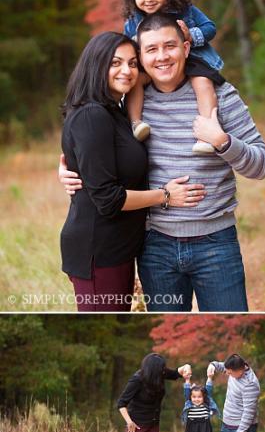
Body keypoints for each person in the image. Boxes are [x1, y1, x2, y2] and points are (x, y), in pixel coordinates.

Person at [59, 12, 265, 311]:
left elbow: (261, 165)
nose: (162, 57)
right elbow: (96, 150)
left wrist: (222, 141)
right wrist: (69, 171)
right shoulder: (129, 100)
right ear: (142, 57)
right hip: (152, 246)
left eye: (169, 46)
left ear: (185, 48)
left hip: (216, 243)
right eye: (150, 50)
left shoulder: (220, 96)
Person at [59, 32, 205, 312]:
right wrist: (165, 196)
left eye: (133, 63)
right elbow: (108, 199)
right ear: (95, 65)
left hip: (119, 249)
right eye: (115, 63)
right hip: (98, 250)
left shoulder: (115, 112)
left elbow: (90, 167)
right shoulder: (93, 114)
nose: (126, 71)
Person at [123, 0, 224, 154]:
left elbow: (210, 27)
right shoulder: (133, 20)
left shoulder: (185, 10)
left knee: (202, 82)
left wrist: (191, 35)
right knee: (136, 81)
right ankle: (135, 123)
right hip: (153, 65)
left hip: (190, 58)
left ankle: (207, 132)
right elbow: (126, 46)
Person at [181, 366, 220, 432]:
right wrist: (187, 380)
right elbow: (186, 391)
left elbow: (209, 390)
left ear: (203, 397)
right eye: (194, 397)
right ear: (191, 397)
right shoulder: (189, 402)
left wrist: (210, 378)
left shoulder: (206, 403)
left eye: (199, 397)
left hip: (204, 424)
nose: (196, 399)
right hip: (192, 424)